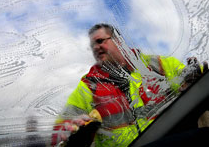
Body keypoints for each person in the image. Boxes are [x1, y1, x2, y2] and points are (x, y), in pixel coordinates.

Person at [51, 23, 208, 147]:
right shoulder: (88, 86)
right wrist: (71, 133)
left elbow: (192, 82)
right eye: (93, 46)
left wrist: (191, 82)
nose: (96, 48)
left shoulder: (157, 64)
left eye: (100, 41)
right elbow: (58, 133)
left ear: (119, 41)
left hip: (173, 135)